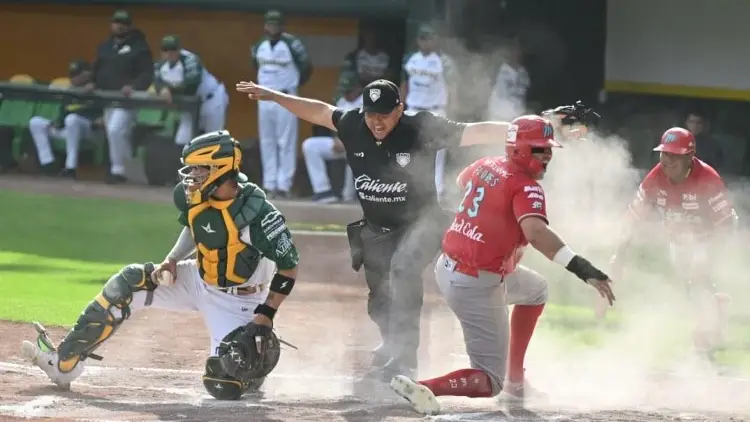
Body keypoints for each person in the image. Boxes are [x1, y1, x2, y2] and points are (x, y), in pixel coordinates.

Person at [237, 77, 518, 382]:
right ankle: (393, 343)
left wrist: (528, 127)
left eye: (384, 114)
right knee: (380, 296)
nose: (376, 121)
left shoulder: (421, 128)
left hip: (424, 220)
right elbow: (318, 111)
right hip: (377, 227)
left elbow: (474, 131)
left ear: (400, 109)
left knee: (403, 268)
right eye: (371, 113)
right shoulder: (354, 125)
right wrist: (274, 95)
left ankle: (406, 359)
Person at [20, 131, 301, 401]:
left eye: (199, 170)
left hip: (242, 299)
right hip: (199, 279)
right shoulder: (196, 196)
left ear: (219, 169)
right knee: (129, 282)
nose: (191, 177)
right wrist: (173, 259)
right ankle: (63, 364)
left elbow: (289, 267)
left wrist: (264, 317)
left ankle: (253, 364)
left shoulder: (259, 216)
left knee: (224, 382)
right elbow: (197, 227)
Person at [389, 115, 616, 415]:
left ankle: (517, 380)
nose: (547, 156)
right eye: (539, 149)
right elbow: (536, 232)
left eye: (548, 149)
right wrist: (584, 269)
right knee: (488, 381)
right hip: (475, 282)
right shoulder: (525, 186)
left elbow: (462, 182)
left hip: (450, 267)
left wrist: (492, 223)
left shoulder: (487, 164)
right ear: (519, 149)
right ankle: (425, 386)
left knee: (536, 290)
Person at [605, 127, 736, 358]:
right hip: (679, 237)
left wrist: (708, 256)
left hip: (712, 234)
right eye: (664, 154)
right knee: (688, 283)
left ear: (689, 157)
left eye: (674, 155)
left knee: (698, 277)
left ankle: (702, 344)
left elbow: (724, 223)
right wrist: (619, 257)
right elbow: (634, 220)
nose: (667, 160)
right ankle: (716, 305)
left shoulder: (707, 179)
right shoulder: (654, 179)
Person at [251, 9, 313, 199]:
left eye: (276, 24)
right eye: (269, 23)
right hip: (264, 97)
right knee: (267, 141)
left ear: (282, 26)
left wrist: (291, 86)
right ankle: (270, 184)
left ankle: (284, 185)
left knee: (285, 142)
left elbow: (306, 67)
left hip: (285, 97)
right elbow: (255, 65)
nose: (272, 27)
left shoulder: (292, 44)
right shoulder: (259, 45)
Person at [90, 9, 154, 184]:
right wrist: (92, 81)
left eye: (123, 24)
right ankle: (126, 170)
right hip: (108, 99)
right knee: (116, 134)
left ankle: (117, 170)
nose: (119, 26)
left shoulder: (139, 47)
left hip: (128, 100)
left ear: (129, 26)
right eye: (116, 23)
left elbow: (147, 74)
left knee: (116, 130)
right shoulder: (106, 46)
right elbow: (97, 67)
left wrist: (133, 87)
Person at [28, 60, 102, 179]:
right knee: (35, 122)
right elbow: (64, 113)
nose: (73, 78)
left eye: (77, 75)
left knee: (72, 119)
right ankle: (48, 163)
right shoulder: (70, 91)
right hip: (69, 129)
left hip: (89, 131)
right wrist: (57, 123)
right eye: (72, 75)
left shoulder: (96, 89)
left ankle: (70, 167)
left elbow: (100, 114)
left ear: (87, 74)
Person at [154, 35, 229, 145]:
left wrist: (169, 90)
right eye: (166, 50)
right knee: (182, 141)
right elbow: (156, 81)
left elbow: (191, 85)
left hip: (211, 100)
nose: (170, 53)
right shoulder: (160, 65)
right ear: (161, 52)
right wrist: (162, 88)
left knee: (213, 143)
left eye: (173, 49)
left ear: (179, 49)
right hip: (189, 106)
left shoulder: (190, 59)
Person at [302, 73, 361, 203]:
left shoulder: (366, 102)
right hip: (342, 145)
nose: (346, 94)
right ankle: (323, 192)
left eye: (349, 91)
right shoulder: (341, 101)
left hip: (362, 147)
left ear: (358, 88)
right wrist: (336, 138)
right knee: (310, 146)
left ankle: (352, 196)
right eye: (344, 91)